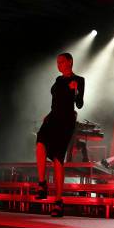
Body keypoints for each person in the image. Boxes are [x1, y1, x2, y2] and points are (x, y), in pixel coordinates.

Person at [35, 53, 85, 217]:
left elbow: (79, 104)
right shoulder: (58, 80)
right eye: (57, 62)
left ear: (70, 61)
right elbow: (55, 101)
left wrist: (75, 90)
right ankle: (42, 184)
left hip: (66, 120)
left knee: (58, 158)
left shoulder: (79, 79)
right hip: (53, 117)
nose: (59, 64)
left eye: (61, 61)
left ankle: (58, 202)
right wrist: (49, 115)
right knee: (40, 142)